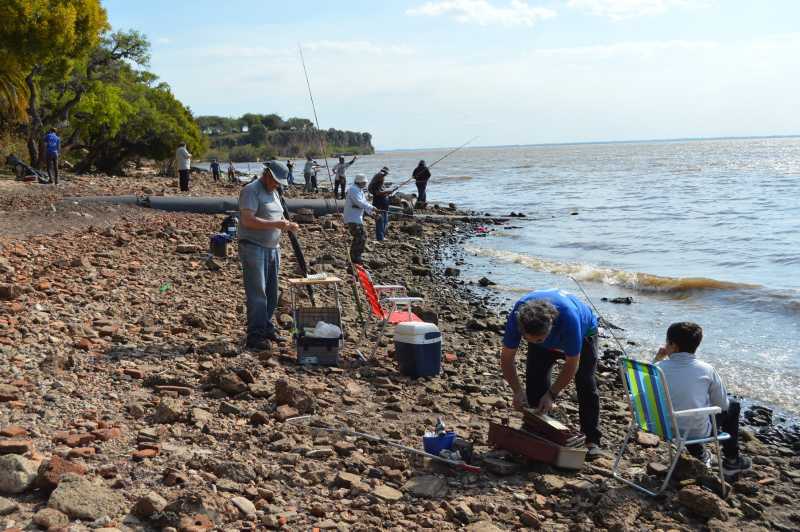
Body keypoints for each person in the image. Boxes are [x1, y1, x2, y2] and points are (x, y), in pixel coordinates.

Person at [500, 289, 602, 454]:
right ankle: (538, 429)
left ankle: (592, 439)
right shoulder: (518, 316)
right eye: (529, 340)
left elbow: (572, 364)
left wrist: (551, 394)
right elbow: (506, 358)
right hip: (543, 333)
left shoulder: (569, 320)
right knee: (535, 380)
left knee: (585, 382)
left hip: (585, 332)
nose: (534, 342)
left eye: (538, 340)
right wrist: (517, 391)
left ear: (551, 325)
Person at [654, 322, 752, 475]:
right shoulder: (706, 369)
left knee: (686, 407)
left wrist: (658, 358)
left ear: (673, 345)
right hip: (692, 430)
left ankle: (699, 454)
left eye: (667, 342)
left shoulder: (657, 368)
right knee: (733, 406)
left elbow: (645, 390)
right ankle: (732, 461)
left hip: (659, 426)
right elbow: (722, 405)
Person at [238, 160, 300, 350]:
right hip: (253, 246)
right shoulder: (251, 190)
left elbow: (276, 216)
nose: (277, 185)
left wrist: (287, 224)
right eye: (276, 181)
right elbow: (247, 221)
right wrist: (276, 224)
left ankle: (266, 327)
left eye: (280, 183)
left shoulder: (275, 191)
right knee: (258, 293)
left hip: (273, 247)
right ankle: (255, 335)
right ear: (267, 174)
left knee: (272, 292)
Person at [344, 173, 374, 264]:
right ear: (359, 182)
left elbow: (364, 203)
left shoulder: (359, 190)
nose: (365, 184)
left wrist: (372, 213)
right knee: (360, 236)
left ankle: (355, 256)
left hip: (357, 218)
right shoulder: (353, 190)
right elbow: (359, 203)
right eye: (364, 182)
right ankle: (355, 257)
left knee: (361, 236)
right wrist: (372, 207)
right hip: (352, 218)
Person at [368, 167, 392, 242]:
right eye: (384, 175)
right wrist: (387, 192)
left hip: (384, 205)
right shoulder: (377, 182)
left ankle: (382, 236)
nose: (384, 177)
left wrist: (387, 192)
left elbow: (382, 192)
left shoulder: (381, 182)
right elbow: (377, 193)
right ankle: (380, 238)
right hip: (379, 204)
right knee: (380, 221)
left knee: (385, 221)